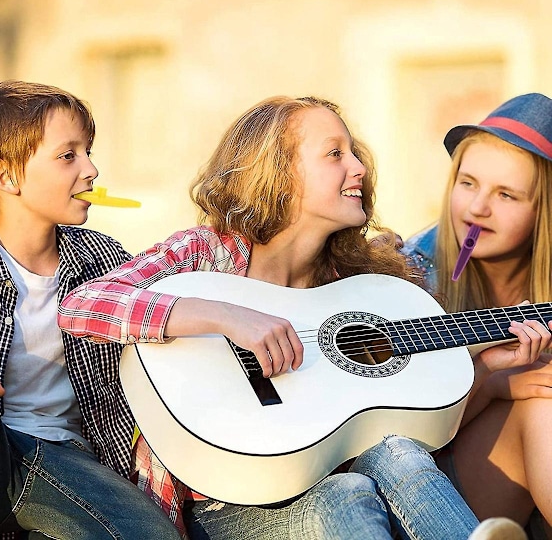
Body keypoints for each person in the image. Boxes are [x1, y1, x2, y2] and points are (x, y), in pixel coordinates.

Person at [58, 95, 542, 540]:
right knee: (348, 495)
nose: (358, 168)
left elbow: (398, 410)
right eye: (334, 155)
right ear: (278, 173)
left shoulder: (358, 287)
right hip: (222, 503)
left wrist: (487, 367)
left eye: (353, 153)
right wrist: (227, 316)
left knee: (395, 453)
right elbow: (82, 305)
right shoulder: (205, 252)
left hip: (331, 481)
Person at [0, 81, 180, 540]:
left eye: (88, 151)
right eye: (68, 155)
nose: (92, 169)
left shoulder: (106, 261)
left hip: (67, 458)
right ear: (6, 177)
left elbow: (164, 315)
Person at [402, 93, 552, 537]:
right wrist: (495, 381)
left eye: (505, 194)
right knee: (540, 403)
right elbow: (400, 437)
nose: (477, 208)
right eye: (467, 183)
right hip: (422, 486)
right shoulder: (411, 276)